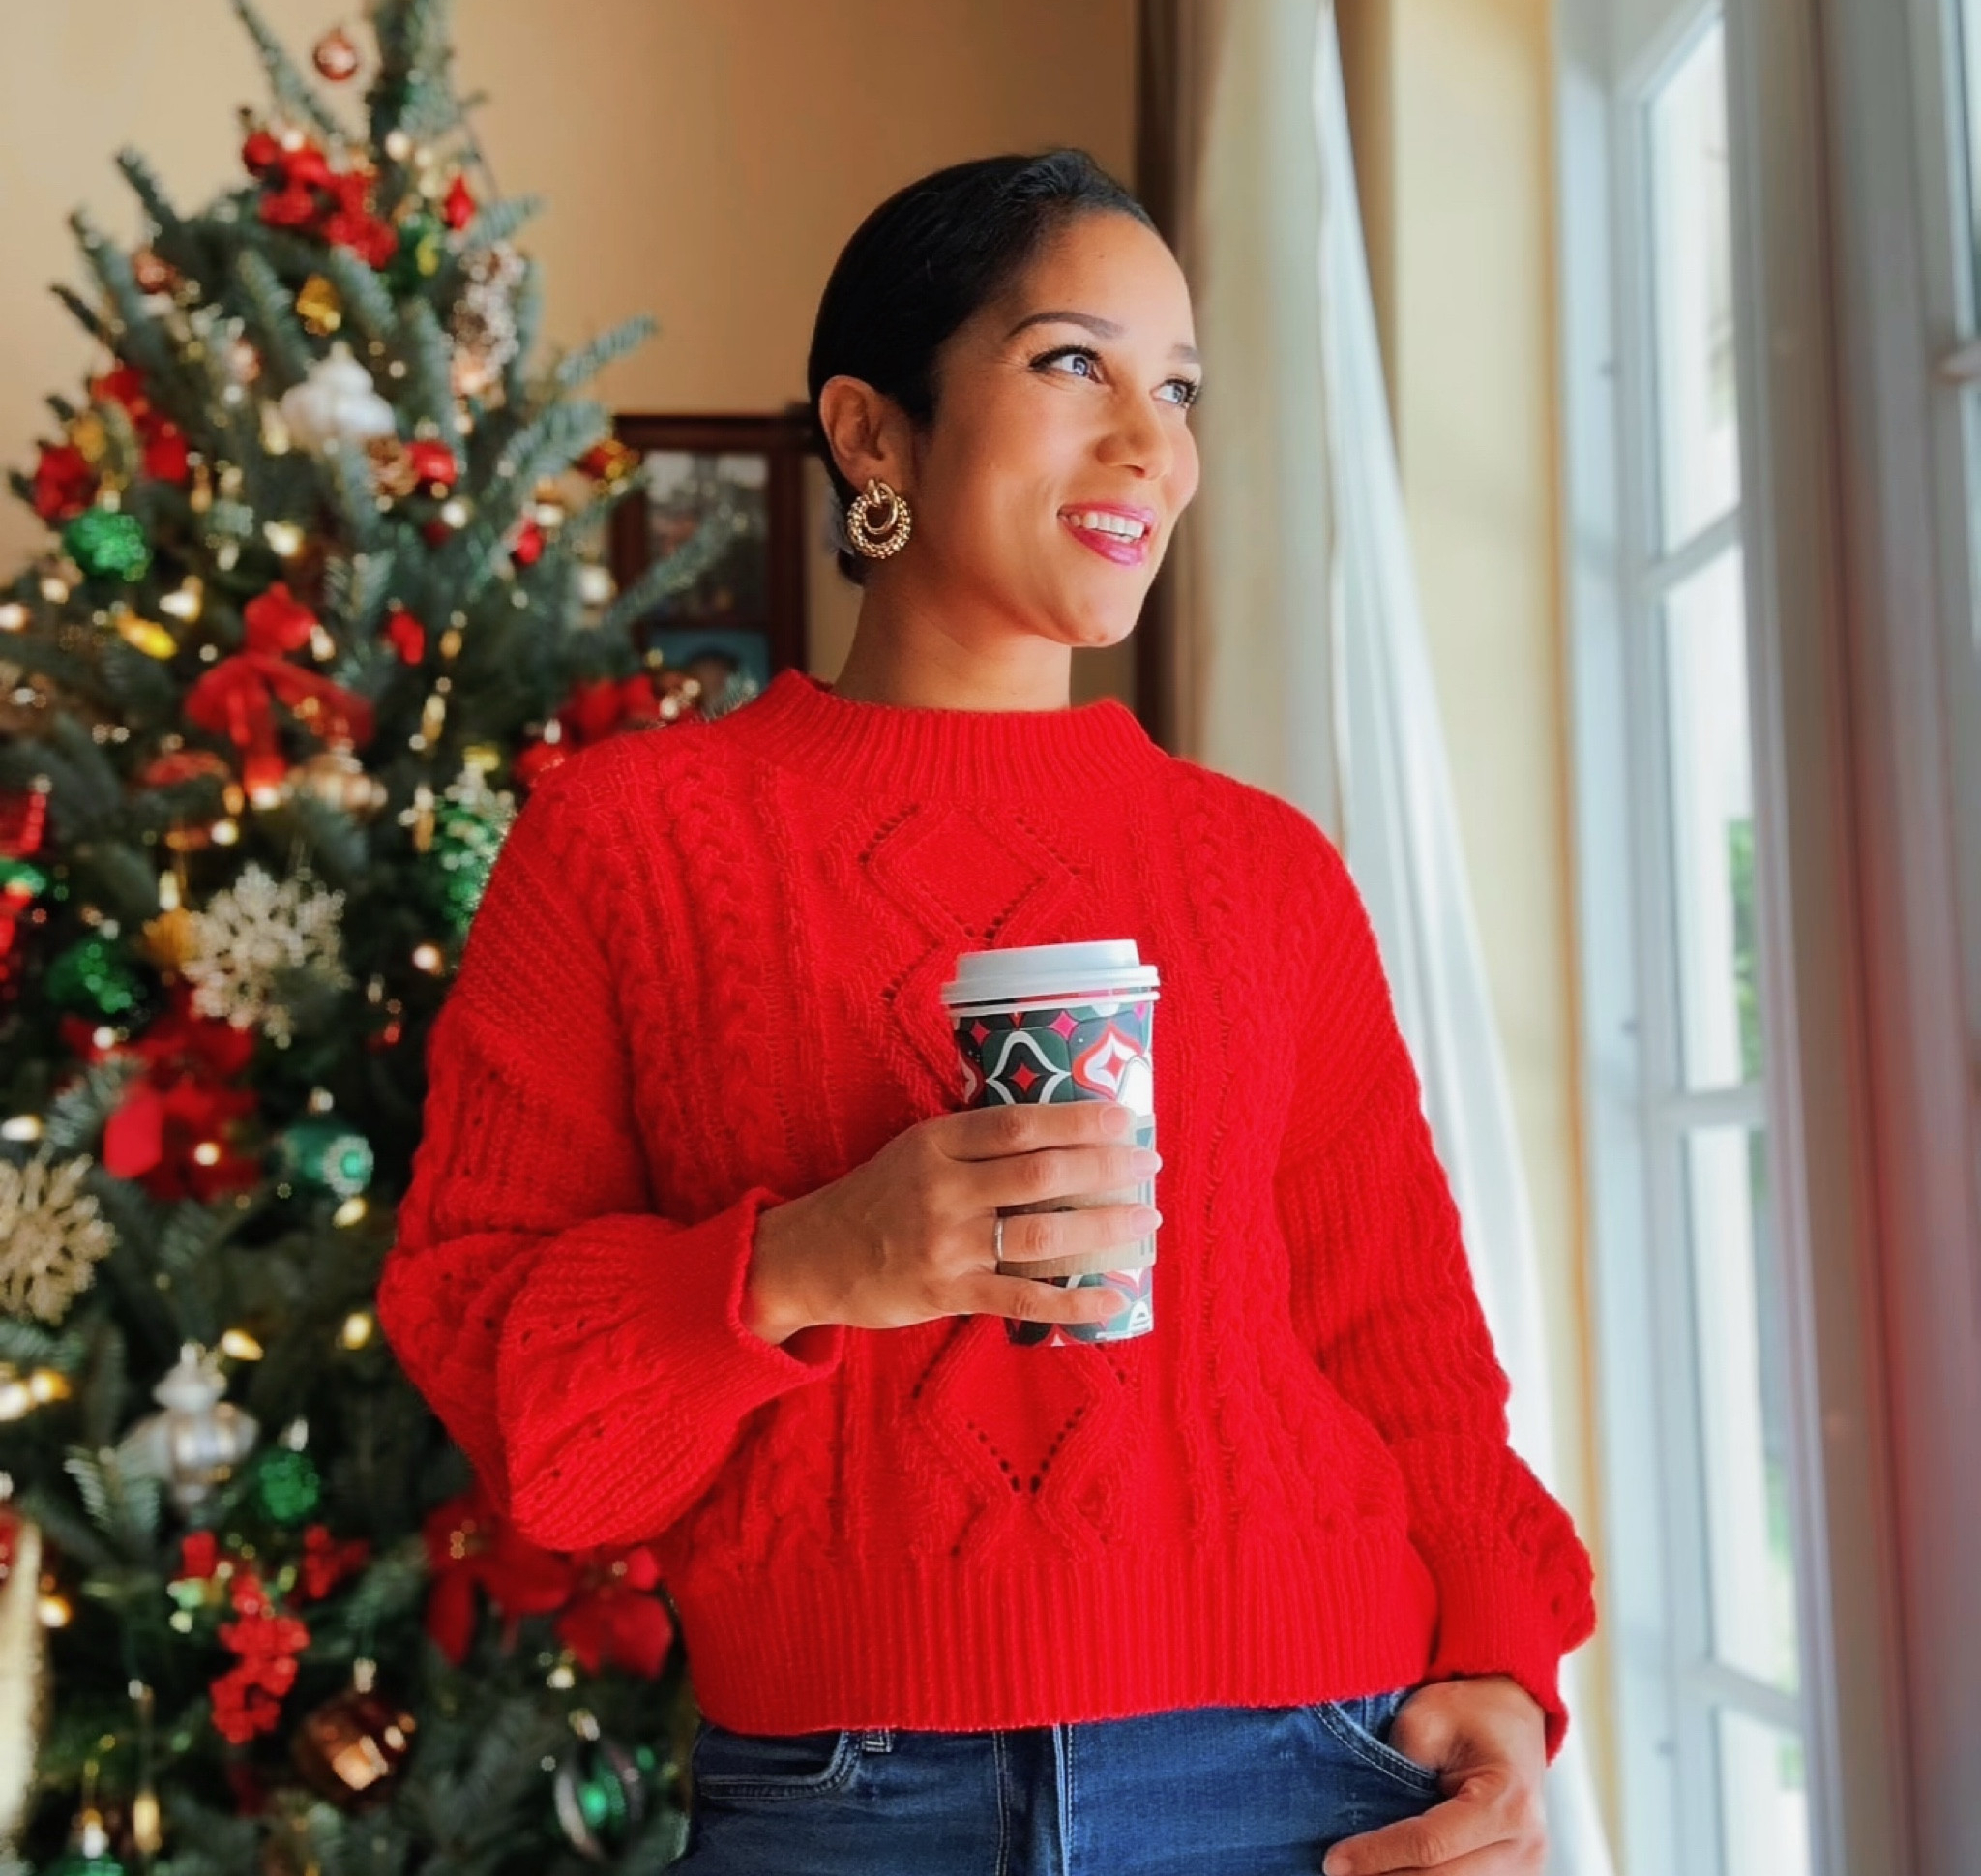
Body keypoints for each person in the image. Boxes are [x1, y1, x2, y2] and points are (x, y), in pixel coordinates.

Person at [376, 148, 1597, 1876]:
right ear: (873, 431)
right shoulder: (628, 842)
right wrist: (807, 1261)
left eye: (1176, 389)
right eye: (1073, 364)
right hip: (842, 1804)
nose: (1151, 445)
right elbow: (518, 1393)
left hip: (1312, 1767)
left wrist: (1497, 1661)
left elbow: (1398, 1334)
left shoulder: (1268, 872)